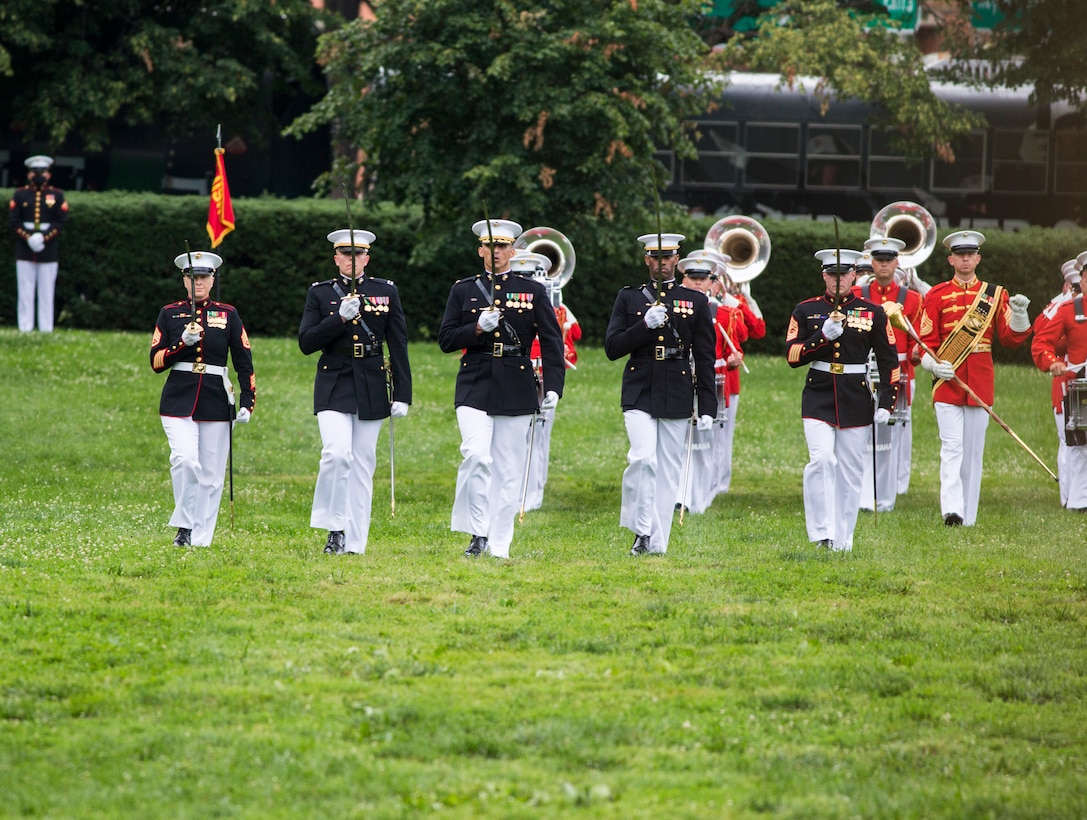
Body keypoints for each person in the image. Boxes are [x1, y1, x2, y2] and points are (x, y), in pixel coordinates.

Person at [437, 219, 565, 559]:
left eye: (503, 246)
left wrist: (553, 386)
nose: (496, 253)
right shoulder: (463, 290)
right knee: (476, 456)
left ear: (513, 250)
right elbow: (446, 340)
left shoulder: (534, 292)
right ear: (480, 250)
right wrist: (476, 327)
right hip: (475, 379)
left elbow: (552, 342)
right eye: (490, 246)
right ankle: (478, 532)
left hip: (516, 379)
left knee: (508, 469)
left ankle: (499, 543)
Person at [298, 228, 412, 556]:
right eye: (345, 254)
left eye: (358, 254)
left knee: (362, 463)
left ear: (367, 258)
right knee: (336, 454)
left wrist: (403, 392)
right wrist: (338, 318)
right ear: (336, 258)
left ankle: (356, 542)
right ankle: (334, 528)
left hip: (372, 380)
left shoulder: (385, 291)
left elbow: (398, 343)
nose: (352, 259)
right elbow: (306, 343)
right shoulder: (320, 293)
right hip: (334, 379)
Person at [604, 233, 717, 556]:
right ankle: (641, 530)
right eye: (655, 257)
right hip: (640, 384)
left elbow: (705, 357)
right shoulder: (629, 298)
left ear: (677, 260)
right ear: (646, 260)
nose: (662, 263)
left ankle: (656, 541)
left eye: (668, 257)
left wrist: (707, 405)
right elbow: (613, 348)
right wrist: (644, 326)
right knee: (642, 459)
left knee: (668, 470)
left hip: (677, 385)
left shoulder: (695, 301)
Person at [785, 248, 900, 552]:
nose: (838, 280)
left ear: (854, 275)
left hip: (855, 395)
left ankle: (843, 539)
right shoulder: (805, 310)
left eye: (844, 274)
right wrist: (822, 336)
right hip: (819, 393)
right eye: (832, 274)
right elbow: (792, 356)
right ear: (824, 275)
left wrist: (887, 402)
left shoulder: (872, 312)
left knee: (850, 472)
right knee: (821, 460)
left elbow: (889, 361)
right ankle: (823, 532)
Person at [918, 230, 1032, 526]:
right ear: (950, 259)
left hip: (979, 379)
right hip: (947, 380)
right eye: (960, 254)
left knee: (973, 451)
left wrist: (1020, 316)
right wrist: (932, 365)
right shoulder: (937, 295)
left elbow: (1010, 339)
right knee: (952, 447)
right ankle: (952, 511)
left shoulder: (995, 295)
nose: (965, 259)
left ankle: (968, 515)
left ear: (978, 258)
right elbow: (924, 342)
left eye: (971, 254)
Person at [150, 250, 255, 547]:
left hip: (215, 399)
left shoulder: (227, 314)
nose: (198, 282)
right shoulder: (170, 312)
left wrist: (248, 401)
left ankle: (201, 539)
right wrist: (182, 344)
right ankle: (184, 525)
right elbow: (156, 362)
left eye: (204, 277)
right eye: (192, 277)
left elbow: (243, 360)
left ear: (212, 279)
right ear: (184, 280)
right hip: (178, 397)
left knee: (211, 474)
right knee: (184, 460)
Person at [853, 236, 923, 511]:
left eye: (888, 260)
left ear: (897, 263)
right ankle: (864, 493)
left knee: (892, 436)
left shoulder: (913, 299)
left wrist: (918, 356)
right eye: (879, 260)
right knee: (861, 431)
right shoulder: (858, 296)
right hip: (863, 370)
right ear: (872, 263)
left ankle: (886, 496)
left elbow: (920, 339)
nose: (883, 265)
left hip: (900, 372)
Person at [522, 250, 582, 512]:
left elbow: (575, 332)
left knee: (539, 436)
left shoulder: (554, 305)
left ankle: (534, 491)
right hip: (519, 370)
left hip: (544, 373)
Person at [673, 250, 726, 515]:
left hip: (709, 378)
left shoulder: (722, 310)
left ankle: (702, 495)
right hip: (680, 375)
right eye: (692, 277)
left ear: (710, 281)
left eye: (701, 278)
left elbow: (732, 343)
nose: (696, 282)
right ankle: (680, 495)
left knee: (705, 443)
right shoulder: (673, 304)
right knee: (679, 441)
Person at [1032, 254, 1086, 510]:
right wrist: (1051, 361)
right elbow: (1040, 341)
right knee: (1077, 443)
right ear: (1082, 281)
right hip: (1079, 386)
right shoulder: (1068, 310)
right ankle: (1076, 500)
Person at [712, 259, 766, 495]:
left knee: (723, 434)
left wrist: (738, 301)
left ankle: (720, 483)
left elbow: (756, 330)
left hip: (728, 379)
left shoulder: (733, 305)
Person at [9, 155, 68, 332]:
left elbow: (60, 221)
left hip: (48, 249)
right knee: (25, 290)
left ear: (48, 174)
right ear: (29, 174)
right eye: (35, 172)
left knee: (46, 291)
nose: (38, 175)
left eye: (42, 172)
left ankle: (46, 327)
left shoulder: (57, 195)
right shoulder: (20, 194)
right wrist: (28, 237)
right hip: (24, 249)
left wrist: (43, 237)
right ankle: (25, 327)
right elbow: (14, 221)